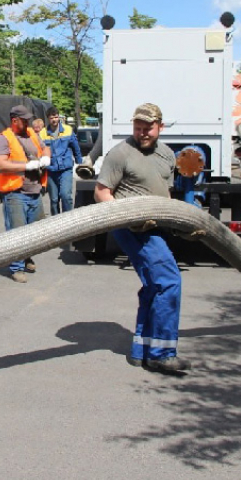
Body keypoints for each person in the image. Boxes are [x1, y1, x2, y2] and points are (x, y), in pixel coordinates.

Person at [94, 103, 190, 374]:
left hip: (156, 226)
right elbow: (102, 193)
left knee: (154, 285)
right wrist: (127, 218)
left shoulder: (167, 155)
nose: (142, 132)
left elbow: (166, 191)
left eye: (147, 128)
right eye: (138, 127)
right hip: (132, 229)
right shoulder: (120, 153)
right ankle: (161, 353)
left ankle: (141, 349)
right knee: (169, 281)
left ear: (159, 126)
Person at [0, 105, 51, 283]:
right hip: (15, 192)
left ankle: (26, 257)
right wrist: (25, 166)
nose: (27, 122)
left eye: (28, 119)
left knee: (34, 230)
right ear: (14, 120)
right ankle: (16, 268)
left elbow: (45, 147)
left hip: (34, 190)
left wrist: (46, 157)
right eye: (24, 120)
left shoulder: (31, 134)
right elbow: (0, 164)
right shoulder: (3, 139)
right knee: (17, 232)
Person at [39, 106, 83, 215]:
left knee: (65, 196)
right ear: (48, 119)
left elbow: (75, 147)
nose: (54, 120)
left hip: (65, 169)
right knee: (54, 200)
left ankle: (68, 220)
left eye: (56, 117)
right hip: (51, 170)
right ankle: (56, 223)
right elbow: (39, 151)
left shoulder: (68, 130)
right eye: (51, 118)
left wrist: (80, 162)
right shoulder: (43, 133)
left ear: (59, 117)